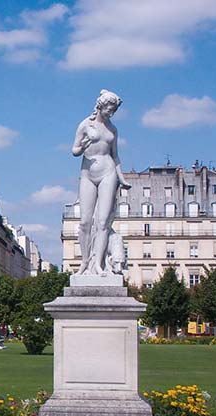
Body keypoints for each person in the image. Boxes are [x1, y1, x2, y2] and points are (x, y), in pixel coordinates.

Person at [72, 89, 131, 276]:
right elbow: (74, 150)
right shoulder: (84, 124)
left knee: (103, 221)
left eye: (113, 111)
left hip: (108, 172)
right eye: (109, 109)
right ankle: (84, 262)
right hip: (88, 174)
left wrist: (122, 178)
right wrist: (82, 146)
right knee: (84, 222)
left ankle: (98, 263)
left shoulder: (113, 129)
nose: (111, 114)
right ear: (100, 106)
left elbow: (115, 155)